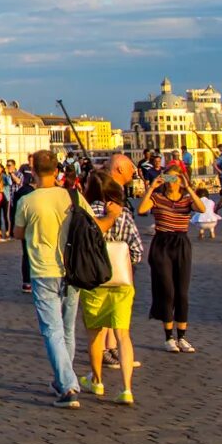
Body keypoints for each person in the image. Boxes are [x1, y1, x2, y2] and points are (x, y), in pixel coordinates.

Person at [12, 150, 81, 408]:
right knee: (68, 328)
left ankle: (67, 385)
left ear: (33, 172)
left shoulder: (28, 201)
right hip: (72, 269)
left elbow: (18, 233)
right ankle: (64, 377)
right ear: (57, 169)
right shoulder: (71, 196)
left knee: (52, 330)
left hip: (42, 269)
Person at [79, 172, 143, 405]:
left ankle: (96, 381)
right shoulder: (124, 213)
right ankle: (126, 388)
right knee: (122, 335)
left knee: (95, 334)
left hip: (94, 282)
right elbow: (137, 251)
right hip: (121, 283)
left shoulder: (85, 213)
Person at [137, 160, 199, 353]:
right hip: (162, 244)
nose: (172, 182)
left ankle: (182, 337)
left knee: (182, 293)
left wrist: (188, 186)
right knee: (168, 291)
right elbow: (141, 210)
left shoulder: (187, 199)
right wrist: (151, 187)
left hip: (181, 244)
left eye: (175, 178)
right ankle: (168, 337)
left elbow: (201, 209)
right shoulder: (157, 197)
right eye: (169, 178)